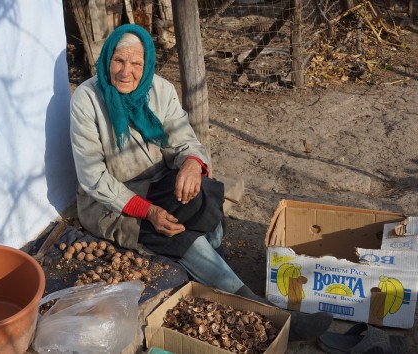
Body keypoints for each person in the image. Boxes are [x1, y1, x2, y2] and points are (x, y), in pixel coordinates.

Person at [69, 23, 332, 341]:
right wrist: (147, 211)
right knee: (177, 237)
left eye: (136, 63)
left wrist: (192, 166)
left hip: (158, 183)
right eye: (119, 61)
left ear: (146, 64)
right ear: (107, 58)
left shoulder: (159, 90)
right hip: (110, 200)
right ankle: (267, 314)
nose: (126, 71)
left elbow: (184, 141)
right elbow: (92, 177)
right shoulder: (87, 100)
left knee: (205, 191)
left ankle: (211, 264)